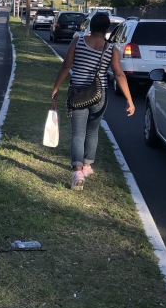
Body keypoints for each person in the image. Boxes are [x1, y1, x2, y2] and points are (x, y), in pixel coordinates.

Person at [51, 13, 135, 190]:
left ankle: (77, 171)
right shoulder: (112, 50)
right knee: (93, 131)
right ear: (106, 29)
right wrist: (129, 99)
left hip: (78, 94)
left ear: (91, 26)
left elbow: (66, 65)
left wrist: (56, 87)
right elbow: (119, 74)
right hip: (99, 95)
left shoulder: (78, 42)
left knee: (78, 133)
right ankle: (88, 165)